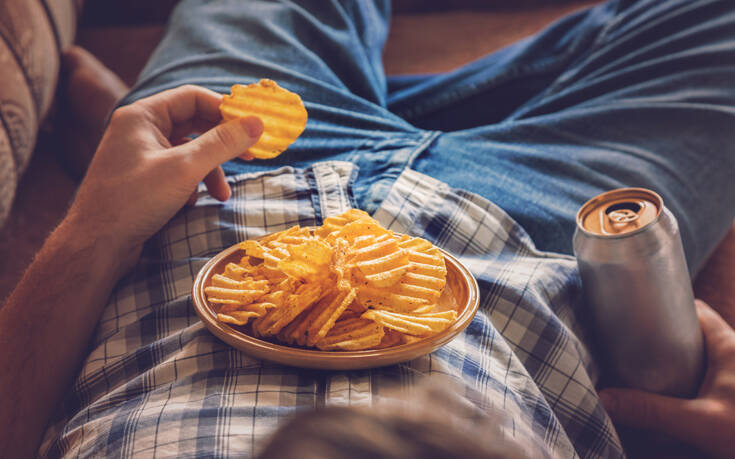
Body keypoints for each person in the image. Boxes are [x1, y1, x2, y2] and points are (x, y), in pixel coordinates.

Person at [1, 0, 734, 457]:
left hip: (206, 195)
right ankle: (430, 114)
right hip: (533, 240)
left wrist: (93, 227)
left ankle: (135, 119)